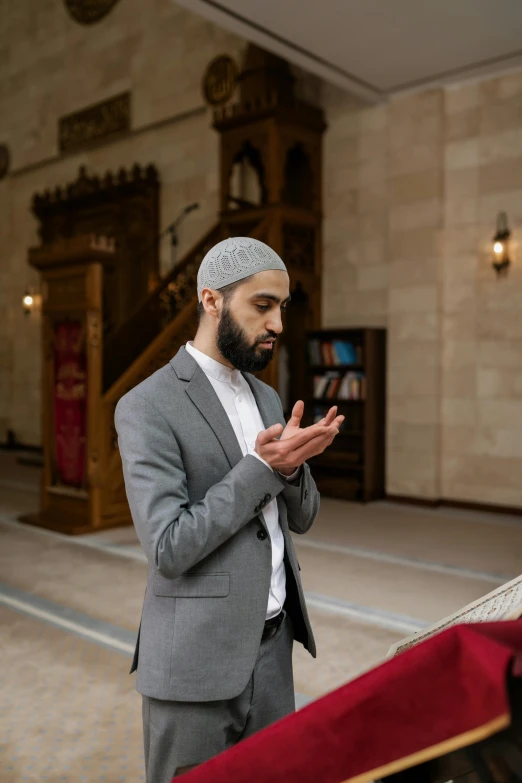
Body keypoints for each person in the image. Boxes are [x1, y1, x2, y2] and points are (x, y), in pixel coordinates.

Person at [115, 236, 345, 781]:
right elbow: (169, 547)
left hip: (271, 654)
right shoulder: (147, 406)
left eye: (282, 308)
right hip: (194, 662)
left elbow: (304, 517)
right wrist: (261, 470)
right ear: (212, 299)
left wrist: (289, 469)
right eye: (262, 306)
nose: (278, 324)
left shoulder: (267, 397)